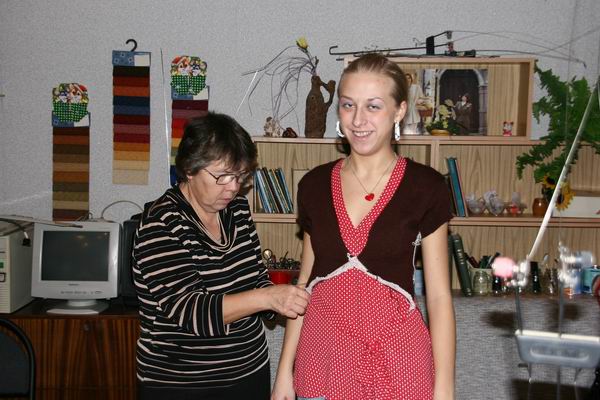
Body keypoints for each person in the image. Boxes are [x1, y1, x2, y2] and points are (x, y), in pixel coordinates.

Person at [271, 54, 456, 400]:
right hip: (322, 362)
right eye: (348, 105)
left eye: (373, 106)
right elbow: (304, 284)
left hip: (400, 365)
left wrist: (444, 389)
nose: (358, 120)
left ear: (399, 111)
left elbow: (439, 297)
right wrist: (284, 372)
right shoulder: (313, 186)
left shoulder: (426, 187)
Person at [133, 112, 310, 400]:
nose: (234, 187)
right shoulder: (160, 223)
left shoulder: (237, 210)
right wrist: (268, 298)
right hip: (182, 383)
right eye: (223, 176)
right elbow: (193, 311)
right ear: (190, 169)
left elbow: (255, 276)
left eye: (240, 176)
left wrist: (284, 300)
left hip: (250, 371)